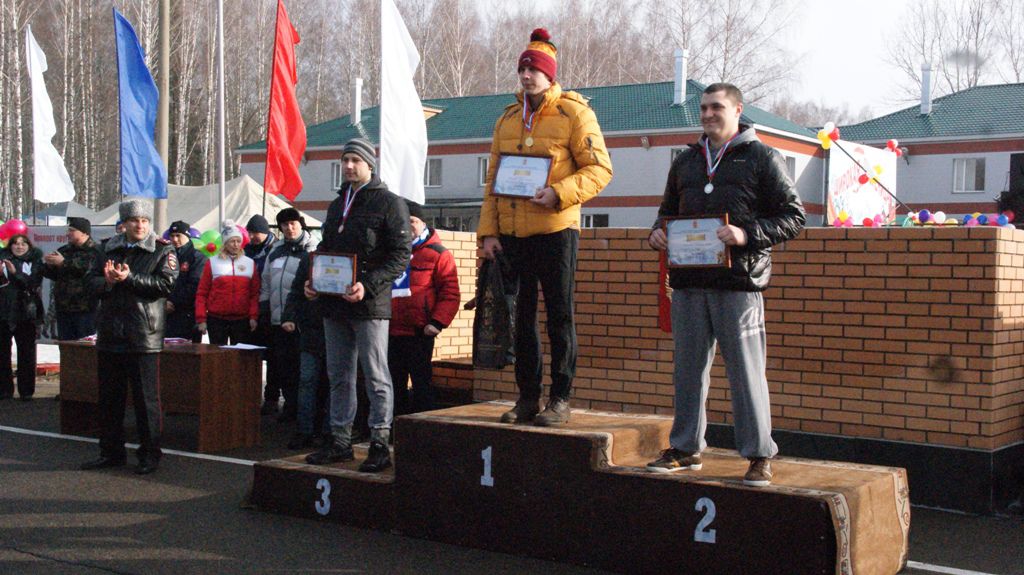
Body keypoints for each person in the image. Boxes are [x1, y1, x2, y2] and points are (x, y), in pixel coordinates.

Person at [645, 83, 806, 487]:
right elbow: (666, 212)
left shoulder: (761, 157)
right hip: (688, 284)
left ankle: (758, 455)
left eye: (716, 107)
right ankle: (685, 448)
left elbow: (794, 217)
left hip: (739, 285)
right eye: (703, 108)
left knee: (746, 373)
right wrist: (657, 233)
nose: (707, 114)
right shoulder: (685, 161)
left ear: (737, 110)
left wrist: (745, 235)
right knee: (688, 372)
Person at [478, 28, 613, 427]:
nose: (526, 76)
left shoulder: (574, 113)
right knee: (521, 320)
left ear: (549, 74)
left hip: (556, 231)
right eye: (522, 69)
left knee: (559, 317)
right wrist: (489, 233)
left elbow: (600, 169)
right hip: (513, 235)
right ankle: (527, 398)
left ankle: (561, 398)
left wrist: (558, 193)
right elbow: (492, 181)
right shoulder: (507, 118)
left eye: (534, 70)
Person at [304, 138, 410, 473]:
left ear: (369, 164)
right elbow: (326, 248)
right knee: (339, 375)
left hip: (370, 305)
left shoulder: (390, 203)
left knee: (375, 375)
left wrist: (369, 284)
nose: (349, 166)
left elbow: (400, 256)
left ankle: (379, 443)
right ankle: (340, 441)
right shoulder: (337, 204)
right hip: (334, 304)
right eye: (345, 160)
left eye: (355, 161)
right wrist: (313, 280)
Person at [80, 199, 177, 475]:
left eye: (145, 221)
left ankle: (149, 454)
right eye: (135, 220)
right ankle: (110, 452)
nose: (140, 225)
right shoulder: (106, 249)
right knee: (109, 399)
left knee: (146, 401)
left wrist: (129, 278)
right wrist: (108, 282)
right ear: (124, 224)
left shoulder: (162, 249)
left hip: (143, 335)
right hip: (111, 333)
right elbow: (89, 282)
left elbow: (165, 284)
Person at [389, 200, 460, 415]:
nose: (407, 225)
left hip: (419, 332)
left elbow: (450, 292)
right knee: (393, 386)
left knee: (422, 384)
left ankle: (422, 426)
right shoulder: (391, 252)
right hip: (390, 331)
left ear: (423, 223)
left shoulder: (439, 254)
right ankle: (394, 427)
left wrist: (437, 322)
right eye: (403, 220)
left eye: (412, 220)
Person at [260, 208, 315, 422]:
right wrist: (265, 309)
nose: (289, 228)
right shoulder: (275, 250)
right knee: (284, 367)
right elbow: (266, 282)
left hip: (303, 321)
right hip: (278, 319)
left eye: (293, 223)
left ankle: (304, 413)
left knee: (304, 370)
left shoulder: (311, 249)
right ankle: (290, 408)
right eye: (285, 225)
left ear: (300, 223)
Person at [282, 252, 330, 449]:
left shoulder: (348, 257)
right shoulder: (310, 259)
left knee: (334, 384)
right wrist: (289, 316)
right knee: (307, 381)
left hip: (337, 328)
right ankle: (304, 431)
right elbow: (295, 291)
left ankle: (330, 432)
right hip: (311, 330)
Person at [195, 220, 260, 345]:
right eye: (232, 241)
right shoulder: (212, 262)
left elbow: (254, 294)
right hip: (217, 319)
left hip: (242, 319)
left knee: (240, 354)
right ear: (225, 243)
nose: (236, 245)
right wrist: (201, 319)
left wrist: (253, 316)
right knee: (217, 354)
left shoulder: (249, 263)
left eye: (238, 241)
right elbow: (202, 293)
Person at [41, 217, 101, 340]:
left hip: (86, 309)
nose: (68, 233)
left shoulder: (96, 250)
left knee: (84, 346)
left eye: (72, 230)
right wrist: (48, 265)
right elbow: (55, 275)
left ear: (84, 233)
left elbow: (87, 270)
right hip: (64, 308)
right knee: (66, 346)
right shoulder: (64, 250)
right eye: (68, 230)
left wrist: (63, 263)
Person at [0, 234, 44, 401]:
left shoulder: (35, 261)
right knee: (3, 352)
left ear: (28, 246)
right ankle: (4, 389)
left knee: (26, 352)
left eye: (23, 244)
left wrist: (14, 273)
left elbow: (32, 283)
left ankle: (26, 391)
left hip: (25, 311)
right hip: (4, 311)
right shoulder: (3, 260)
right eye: (16, 244)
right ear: (10, 246)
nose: (19, 247)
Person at [165, 221, 206, 342]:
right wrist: (163, 302)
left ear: (187, 236)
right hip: (166, 313)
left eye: (178, 235)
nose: (175, 239)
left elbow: (195, 286)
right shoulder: (165, 254)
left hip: (187, 314)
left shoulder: (197, 257)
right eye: (172, 236)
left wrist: (173, 301)